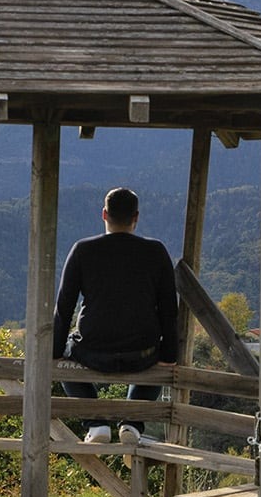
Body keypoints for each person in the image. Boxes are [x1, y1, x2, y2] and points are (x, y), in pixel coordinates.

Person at [52, 186, 178, 444]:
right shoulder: (156, 252)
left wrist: (54, 353)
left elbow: (64, 307)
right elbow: (169, 309)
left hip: (92, 350)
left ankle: (96, 423)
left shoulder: (82, 250)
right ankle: (132, 423)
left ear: (104, 214)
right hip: (142, 353)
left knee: (64, 356)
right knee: (158, 359)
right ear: (136, 217)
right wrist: (169, 355)